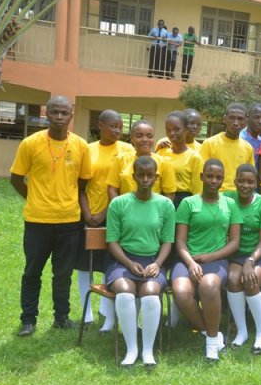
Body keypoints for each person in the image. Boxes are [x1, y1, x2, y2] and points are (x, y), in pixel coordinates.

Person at [10, 95, 92, 337]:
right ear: (46, 113)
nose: (59, 117)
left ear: (71, 115)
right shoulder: (30, 143)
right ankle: (28, 320)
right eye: (54, 112)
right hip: (37, 221)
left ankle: (61, 317)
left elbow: (83, 181)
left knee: (63, 274)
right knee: (32, 272)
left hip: (69, 222)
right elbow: (16, 178)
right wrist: (34, 198)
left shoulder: (81, 146)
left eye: (64, 113)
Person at [105, 156, 175, 367]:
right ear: (133, 177)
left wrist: (158, 264)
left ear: (156, 177)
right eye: (141, 175)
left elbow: (168, 241)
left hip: (153, 261)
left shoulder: (165, 204)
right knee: (125, 291)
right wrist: (128, 263)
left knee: (151, 293)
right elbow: (112, 242)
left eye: (150, 175)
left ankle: (148, 351)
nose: (145, 179)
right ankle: (131, 349)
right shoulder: (119, 203)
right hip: (122, 261)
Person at [171, 159, 243, 362]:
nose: (213, 181)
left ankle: (211, 344)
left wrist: (211, 256)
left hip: (216, 260)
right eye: (209, 176)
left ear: (223, 180)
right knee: (181, 292)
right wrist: (191, 263)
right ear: (202, 177)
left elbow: (235, 242)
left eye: (218, 177)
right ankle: (210, 331)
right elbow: (180, 241)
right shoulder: (188, 203)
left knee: (209, 286)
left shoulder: (230, 204)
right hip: (188, 259)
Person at [75, 109, 133, 332]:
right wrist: (88, 214)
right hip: (88, 215)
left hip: (114, 216)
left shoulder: (127, 150)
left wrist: (104, 214)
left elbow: (122, 188)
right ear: (100, 125)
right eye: (113, 126)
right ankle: (87, 314)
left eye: (120, 127)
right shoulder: (88, 150)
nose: (118, 131)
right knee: (84, 265)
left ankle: (106, 312)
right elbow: (81, 186)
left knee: (109, 264)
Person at [224, 164, 261, 354]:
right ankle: (242, 331)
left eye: (250, 182)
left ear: (256, 184)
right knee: (233, 279)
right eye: (241, 181)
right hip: (237, 254)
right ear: (235, 181)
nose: (245, 185)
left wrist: (250, 261)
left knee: (251, 278)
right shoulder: (227, 199)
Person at [107, 120, 176, 202]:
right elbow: (112, 189)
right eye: (139, 136)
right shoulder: (120, 160)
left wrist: (160, 209)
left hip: (153, 209)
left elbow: (169, 194)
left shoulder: (164, 163)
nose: (145, 140)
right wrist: (118, 207)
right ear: (132, 138)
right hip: (125, 208)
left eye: (149, 136)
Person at [199, 103, 254, 192]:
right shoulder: (210, 143)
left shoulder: (248, 148)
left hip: (238, 196)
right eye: (232, 118)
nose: (235, 123)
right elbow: (201, 174)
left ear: (245, 122)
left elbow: (250, 176)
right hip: (215, 195)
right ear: (224, 119)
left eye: (240, 119)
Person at [155, 110, 203, 208]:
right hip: (160, 199)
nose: (172, 133)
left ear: (186, 129)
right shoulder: (161, 153)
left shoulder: (194, 157)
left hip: (183, 202)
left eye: (176, 129)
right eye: (168, 130)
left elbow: (197, 191)